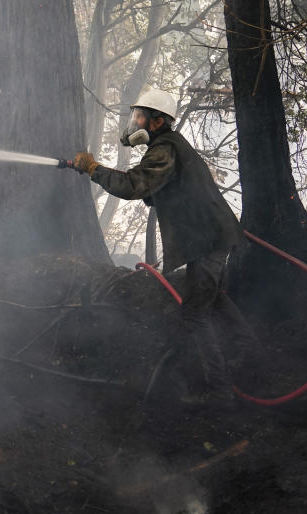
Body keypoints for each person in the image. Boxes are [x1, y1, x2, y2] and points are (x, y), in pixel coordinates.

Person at [72, 88, 260, 407]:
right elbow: (160, 188)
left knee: (194, 315)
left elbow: (134, 185)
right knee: (212, 300)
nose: (136, 121)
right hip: (211, 237)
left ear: (158, 121)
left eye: (141, 116)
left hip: (208, 240)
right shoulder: (168, 147)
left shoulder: (165, 149)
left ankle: (220, 391)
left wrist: (94, 169)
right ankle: (253, 357)